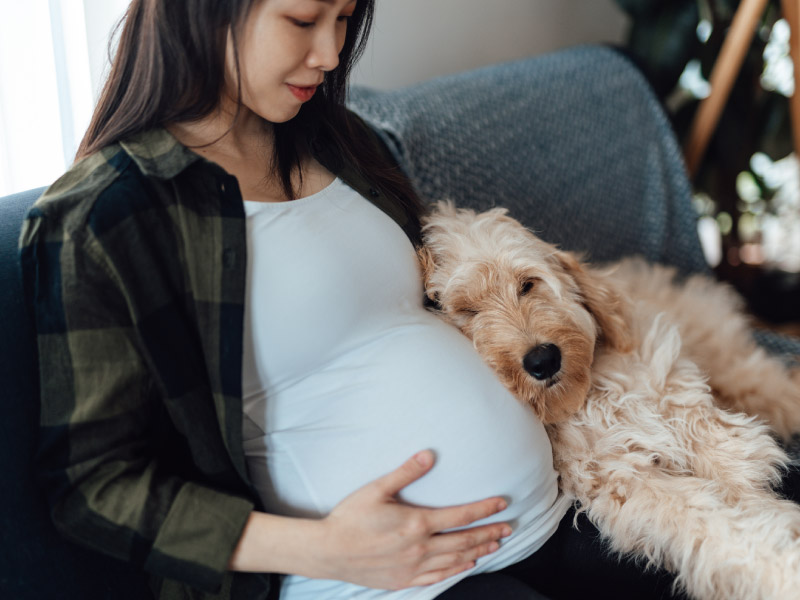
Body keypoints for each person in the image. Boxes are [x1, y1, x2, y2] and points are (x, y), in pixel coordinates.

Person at [19, 1, 700, 599]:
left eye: (344, 19)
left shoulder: (339, 141)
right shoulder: (104, 218)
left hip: (562, 506)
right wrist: (326, 548)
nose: (331, 52)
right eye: (302, 19)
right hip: (383, 582)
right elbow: (92, 486)